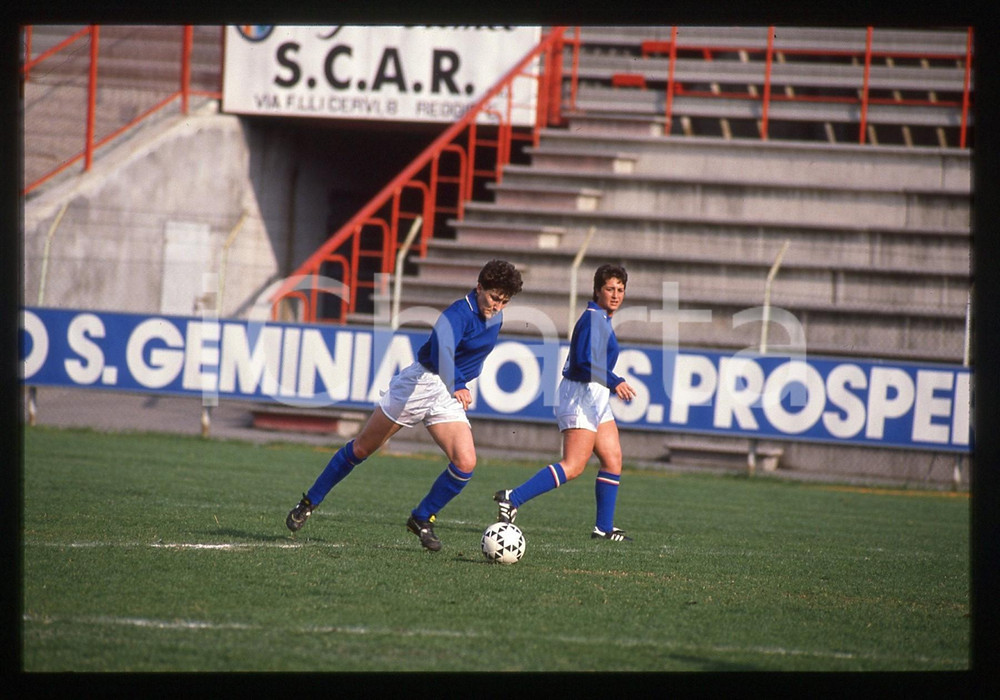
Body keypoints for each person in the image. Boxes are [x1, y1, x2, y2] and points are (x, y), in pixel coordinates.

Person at [286, 259, 524, 551]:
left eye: (504, 301)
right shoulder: (457, 314)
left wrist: (457, 383)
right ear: (479, 287)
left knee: (465, 464)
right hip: (421, 384)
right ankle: (309, 501)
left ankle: (421, 518)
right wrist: (458, 383)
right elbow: (441, 352)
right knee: (362, 448)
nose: (497, 306)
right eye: (493, 297)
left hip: (446, 393)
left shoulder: (494, 317)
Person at [493, 263, 637, 541]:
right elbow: (583, 364)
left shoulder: (602, 319)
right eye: (610, 289)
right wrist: (615, 380)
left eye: (620, 289)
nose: (616, 294)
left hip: (596, 396)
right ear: (597, 291)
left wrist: (610, 380)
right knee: (573, 466)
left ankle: (603, 529)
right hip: (580, 394)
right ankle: (512, 498)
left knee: (613, 459)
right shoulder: (593, 318)